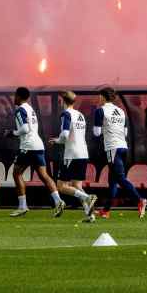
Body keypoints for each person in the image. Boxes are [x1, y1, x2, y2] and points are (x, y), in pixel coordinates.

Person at [9, 87, 64, 217]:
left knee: (16, 173)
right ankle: (58, 201)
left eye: (14, 96)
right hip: (38, 145)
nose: (13, 98)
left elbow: (25, 129)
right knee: (44, 176)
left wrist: (12, 133)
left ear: (18, 96)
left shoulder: (20, 110)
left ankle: (22, 206)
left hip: (28, 146)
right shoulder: (30, 109)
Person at [93, 87, 147, 220]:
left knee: (120, 178)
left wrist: (104, 129)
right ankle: (105, 211)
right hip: (123, 147)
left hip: (112, 148)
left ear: (103, 97)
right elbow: (126, 132)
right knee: (113, 180)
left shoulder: (100, 110)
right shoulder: (121, 111)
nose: (98, 99)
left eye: (99, 96)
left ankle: (140, 200)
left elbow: (97, 133)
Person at [50, 91, 97, 219]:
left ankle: (88, 197)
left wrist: (57, 140)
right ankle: (90, 216)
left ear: (62, 101)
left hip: (72, 154)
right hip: (83, 153)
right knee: (77, 186)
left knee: (61, 186)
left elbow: (65, 135)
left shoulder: (66, 114)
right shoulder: (80, 115)